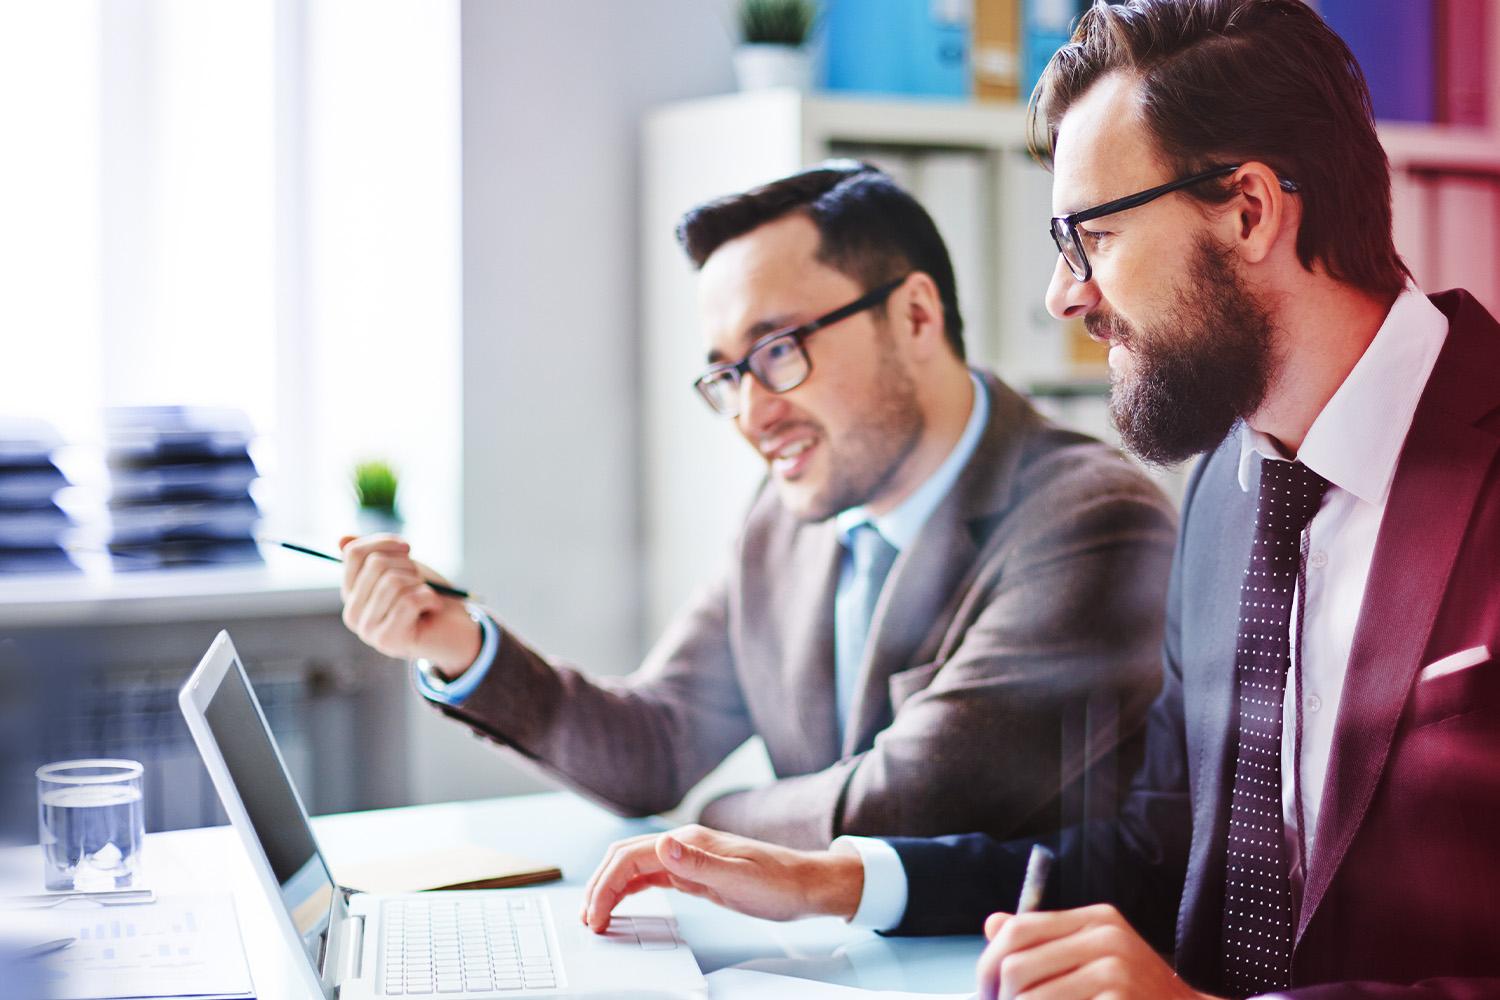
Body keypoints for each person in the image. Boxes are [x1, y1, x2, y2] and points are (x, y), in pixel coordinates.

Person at [577, 1, 1500, 997]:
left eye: (1089, 237)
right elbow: (1156, 856)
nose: (1065, 295)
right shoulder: (1229, 494)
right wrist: (844, 880)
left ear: (1248, 211)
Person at [340, 162, 1176, 850]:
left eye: (778, 351)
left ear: (917, 316)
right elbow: (658, 742)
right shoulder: (786, 516)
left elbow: (905, 806)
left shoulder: (1093, 520)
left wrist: (703, 826)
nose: (751, 413)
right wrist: (459, 644)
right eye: (727, 375)